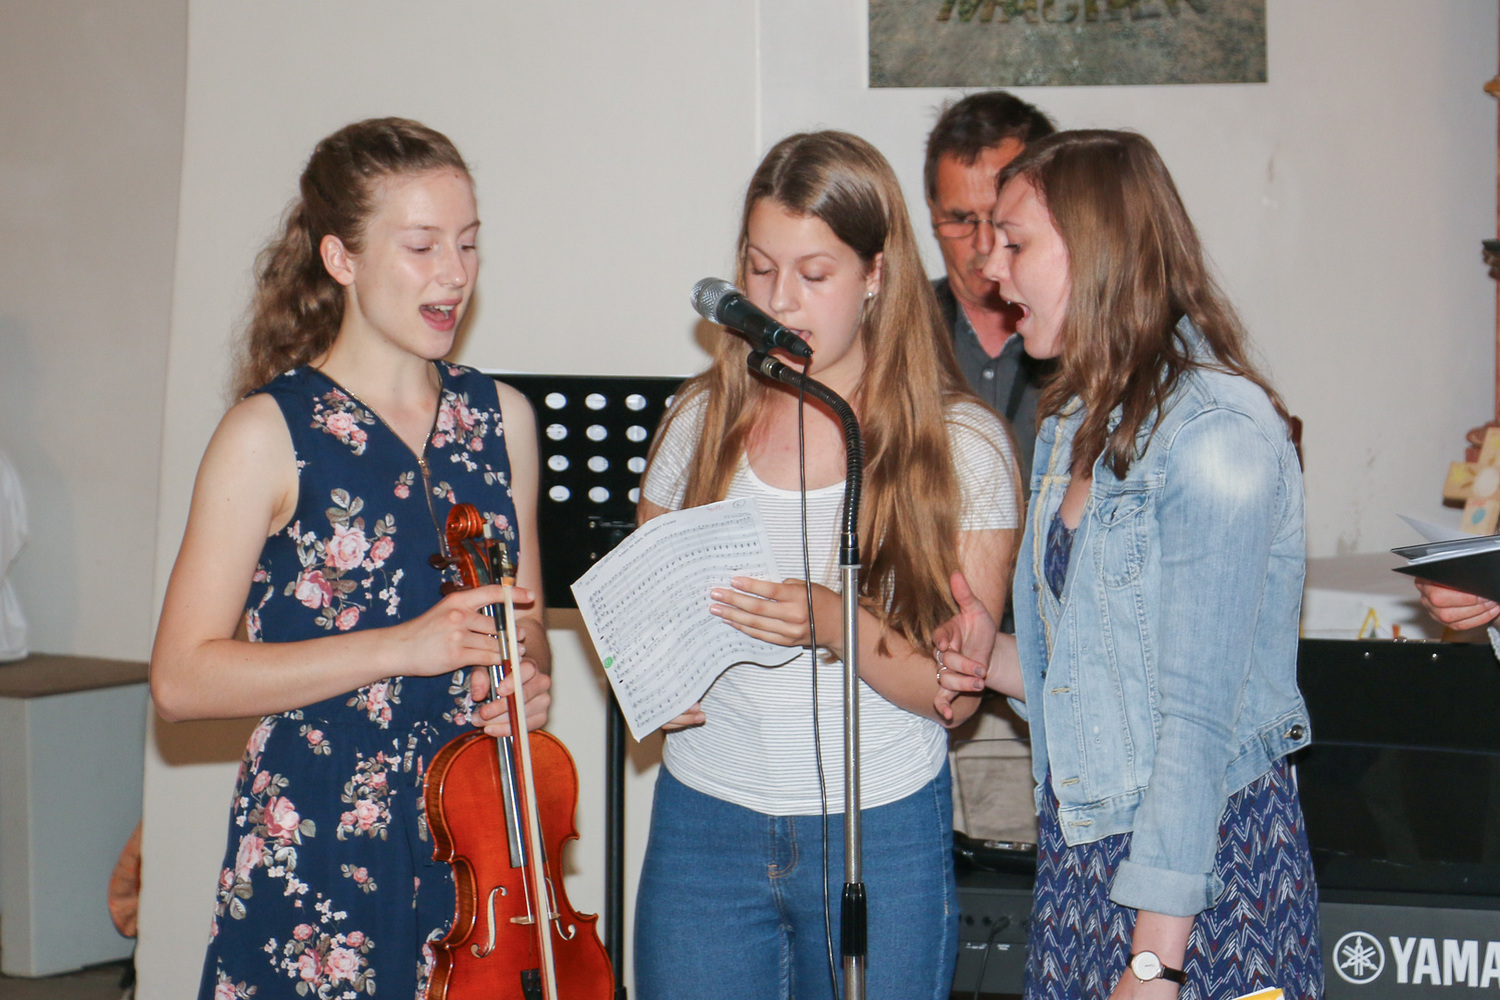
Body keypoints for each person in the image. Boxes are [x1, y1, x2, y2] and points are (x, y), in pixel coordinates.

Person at [149, 117, 552, 999]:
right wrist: (403, 648)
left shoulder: (505, 421)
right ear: (341, 258)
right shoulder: (267, 433)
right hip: (319, 836)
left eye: (468, 243)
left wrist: (526, 679)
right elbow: (180, 680)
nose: (455, 272)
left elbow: (523, 630)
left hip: (474, 846)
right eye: (422, 246)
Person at [933, 130, 1322, 1000]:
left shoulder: (1217, 433)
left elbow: (1196, 722)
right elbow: (1106, 676)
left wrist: (1155, 961)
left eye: (1015, 243)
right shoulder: (1074, 421)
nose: (991, 270)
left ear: (1096, 250)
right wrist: (994, 658)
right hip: (1087, 861)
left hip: (1200, 884)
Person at [632, 130, 1020, 1000]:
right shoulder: (698, 422)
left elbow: (953, 695)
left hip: (877, 827)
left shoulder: (963, 446)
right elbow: (642, 612)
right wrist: (650, 680)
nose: (780, 301)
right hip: (704, 823)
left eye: (814, 274)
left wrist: (836, 622)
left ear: (876, 275)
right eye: (760, 268)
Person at [925, 90, 1056, 486]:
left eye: (1001, 220)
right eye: (960, 219)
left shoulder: (1096, 343)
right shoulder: (891, 333)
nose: (984, 245)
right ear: (931, 213)